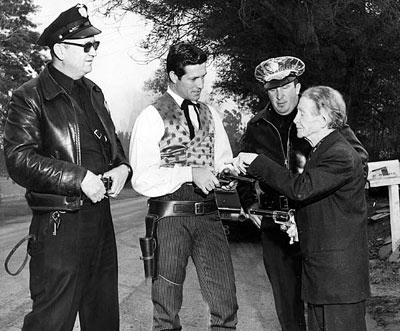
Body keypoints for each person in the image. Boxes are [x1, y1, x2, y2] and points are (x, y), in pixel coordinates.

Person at [3, 4, 131, 331]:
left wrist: (122, 168)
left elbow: (113, 148)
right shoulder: (30, 96)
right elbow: (19, 159)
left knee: (103, 320)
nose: (93, 52)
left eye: (95, 45)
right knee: (51, 322)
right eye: (85, 46)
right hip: (60, 226)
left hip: (101, 223)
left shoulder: (94, 93)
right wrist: (78, 178)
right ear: (60, 49)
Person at [236, 56, 368, 331]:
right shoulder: (257, 126)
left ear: (298, 87)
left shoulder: (324, 121)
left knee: (326, 305)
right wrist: (249, 203)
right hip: (276, 224)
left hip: (316, 220)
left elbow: (356, 162)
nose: (279, 95)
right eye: (272, 89)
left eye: (285, 87)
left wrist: (339, 206)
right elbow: (245, 175)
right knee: (289, 308)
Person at [129, 42, 238, 330]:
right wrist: (189, 173)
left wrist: (230, 170)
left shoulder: (210, 114)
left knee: (226, 305)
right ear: (174, 77)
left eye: (203, 76)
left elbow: (222, 161)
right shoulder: (151, 116)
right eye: (193, 78)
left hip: (209, 216)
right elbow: (141, 179)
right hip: (169, 218)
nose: (200, 84)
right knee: (166, 311)